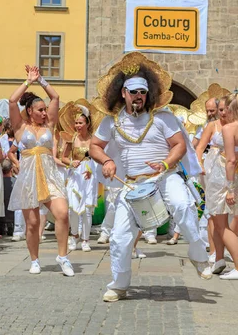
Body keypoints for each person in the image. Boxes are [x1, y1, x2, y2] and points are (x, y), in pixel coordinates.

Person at [90, 52, 212, 302]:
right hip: (132, 184)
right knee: (121, 236)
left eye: (142, 92)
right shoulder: (111, 122)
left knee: (182, 205)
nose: (138, 97)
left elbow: (179, 145)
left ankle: (199, 256)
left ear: (149, 94)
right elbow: (94, 146)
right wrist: (107, 160)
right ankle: (119, 285)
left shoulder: (163, 118)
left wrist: (166, 163)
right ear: (123, 92)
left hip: (165, 176)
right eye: (133, 92)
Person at [7, 65, 73, 276]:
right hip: (28, 176)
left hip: (49, 174)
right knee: (33, 223)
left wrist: (41, 80)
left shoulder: (50, 125)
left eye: (45, 110)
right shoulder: (20, 127)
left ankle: (63, 257)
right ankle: (34, 260)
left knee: (62, 213)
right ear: (30, 111)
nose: (45, 113)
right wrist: (28, 81)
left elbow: (55, 97)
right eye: (40, 110)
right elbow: (11, 101)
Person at [197, 94, 238, 279]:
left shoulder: (229, 128)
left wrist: (231, 188)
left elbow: (230, 160)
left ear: (231, 110)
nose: (221, 113)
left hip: (222, 176)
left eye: (223, 109)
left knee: (221, 225)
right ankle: (219, 259)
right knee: (217, 221)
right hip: (236, 176)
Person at [62, 103, 99, 252]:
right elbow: (63, 157)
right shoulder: (72, 138)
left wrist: (92, 169)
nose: (77, 125)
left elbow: (98, 157)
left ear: (87, 123)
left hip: (89, 175)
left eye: (80, 123)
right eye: (76, 123)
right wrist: (71, 162)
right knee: (72, 209)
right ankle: (74, 236)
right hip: (75, 175)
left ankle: (85, 240)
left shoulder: (94, 139)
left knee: (87, 210)